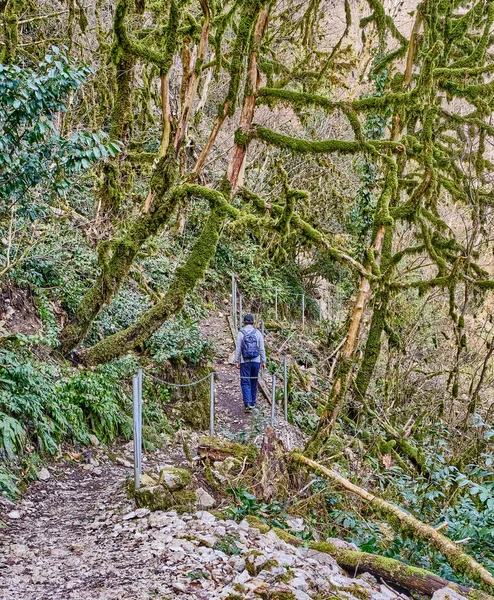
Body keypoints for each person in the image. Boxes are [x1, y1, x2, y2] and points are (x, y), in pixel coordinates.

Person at [234, 314, 266, 412]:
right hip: (256, 361)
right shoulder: (258, 333)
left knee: (245, 382)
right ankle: (253, 402)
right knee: (254, 381)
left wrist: (236, 361)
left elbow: (238, 349)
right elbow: (261, 349)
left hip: (245, 361)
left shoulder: (241, 333)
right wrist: (263, 361)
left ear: (244, 322)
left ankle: (247, 404)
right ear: (253, 322)